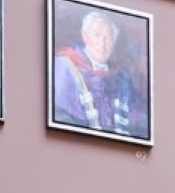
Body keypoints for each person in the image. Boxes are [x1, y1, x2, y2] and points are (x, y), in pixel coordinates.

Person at [53, 9, 145, 138]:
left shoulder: (122, 78)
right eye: (97, 35)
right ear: (85, 36)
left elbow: (139, 120)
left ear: (114, 43)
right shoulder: (63, 67)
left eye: (108, 38)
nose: (102, 44)